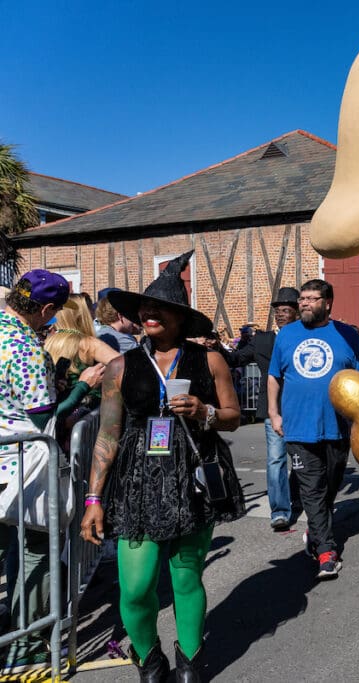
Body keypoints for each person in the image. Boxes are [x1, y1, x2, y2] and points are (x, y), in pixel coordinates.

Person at [80, 252, 246, 681]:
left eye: (159, 308)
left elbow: (233, 416)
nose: (148, 314)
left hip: (192, 477)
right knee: (136, 588)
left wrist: (204, 411)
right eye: (144, 308)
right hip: (136, 481)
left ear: (181, 317)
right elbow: (107, 435)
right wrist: (94, 498)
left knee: (187, 577)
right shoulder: (120, 366)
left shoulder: (209, 360)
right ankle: (149, 658)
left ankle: (190, 658)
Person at [267, 279, 359, 580]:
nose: (304, 303)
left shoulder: (347, 334)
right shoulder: (287, 335)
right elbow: (274, 376)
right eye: (302, 298)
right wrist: (274, 413)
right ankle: (326, 553)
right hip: (298, 428)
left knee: (329, 487)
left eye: (312, 299)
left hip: (337, 426)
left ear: (328, 303)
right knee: (311, 490)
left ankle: (316, 530)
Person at [0, 270, 70, 674]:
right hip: (18, 464)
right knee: (35, 547)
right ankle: (23, 644)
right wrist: (82, 387)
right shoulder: (24, 347)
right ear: (45, 309)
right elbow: (45, 417)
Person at [226, 287, 300, 530]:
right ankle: (279, 511)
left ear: (297, 313)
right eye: (277, 311)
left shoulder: (305, 337)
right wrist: (213, 347)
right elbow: (235, 359)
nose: (280, 315)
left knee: (302, 460)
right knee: (276, 459)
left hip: (301, 408)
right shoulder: (263, 340)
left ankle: (299, 497)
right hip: (273, 408)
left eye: (285, 310)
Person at [43, 292, 120, 444]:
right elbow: (125, 365)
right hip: (84, 424)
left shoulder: (48, 342)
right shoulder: (88, 343)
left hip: (54, 423)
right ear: (82, 315)